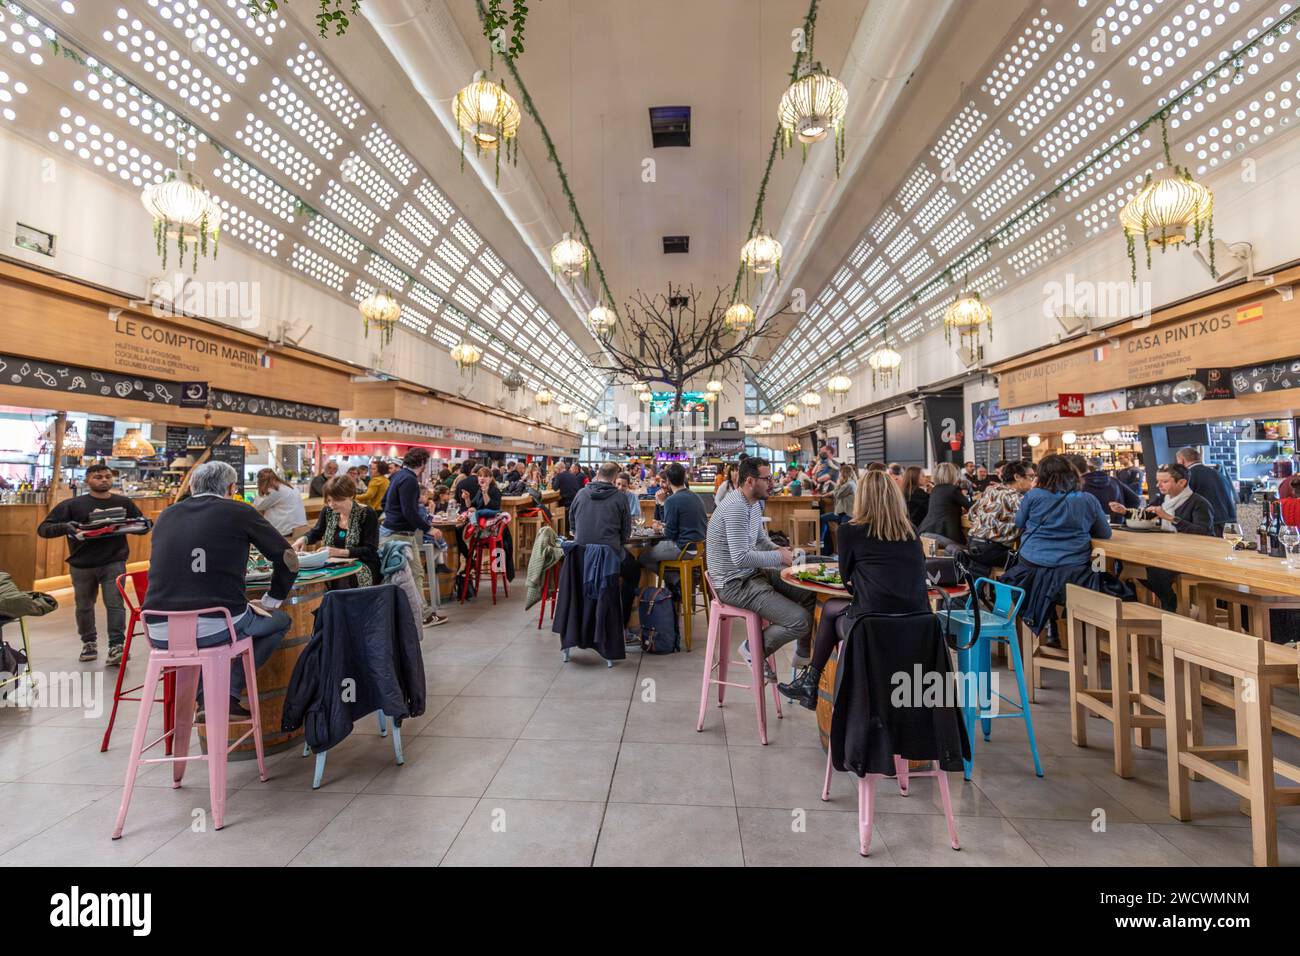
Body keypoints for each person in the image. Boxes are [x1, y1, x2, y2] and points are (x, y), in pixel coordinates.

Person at [142, 460, 295, 719]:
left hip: (157, 630)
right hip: (217, 624)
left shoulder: (167, 514)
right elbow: (288, 558)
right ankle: (227, 695)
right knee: (280, 621)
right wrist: (272, 600)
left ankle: (206, 698)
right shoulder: (240, 511)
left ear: (192, 486)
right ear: (232, 488)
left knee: (221, 621)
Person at [778, 470, 929, 708]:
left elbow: (847, 582)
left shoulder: (850, 531)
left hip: (871, 626)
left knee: (829, 609)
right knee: (833, 608)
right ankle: (809, 682)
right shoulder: (911, 532)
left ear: (862, 498)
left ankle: (811, 682)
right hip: (917, 625)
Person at [706, 457, 816, 676]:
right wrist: (779, 558)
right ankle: (752, 649)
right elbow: (740, 558)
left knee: (809, 590)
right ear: (750, 481)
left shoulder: (753, 504)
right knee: (800, 620)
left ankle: (803, 656)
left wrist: (782, 551)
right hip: (733, 584)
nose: (772, 483)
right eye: (767, 479)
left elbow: (760, 541)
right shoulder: (736, 507)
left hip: (752, 575)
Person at [37, 462, 144, 665]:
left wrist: (136, 526)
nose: (104, 480)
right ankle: (89, 643)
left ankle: (116, 646)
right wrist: (66, 527)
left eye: (107, 477)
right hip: (82, 564)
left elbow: (142, 525)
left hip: (114, 560)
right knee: (84, 606)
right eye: (98, 477)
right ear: (87, 480)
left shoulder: (124, 502)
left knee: (115, 604)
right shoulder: (72, 505)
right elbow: (43, 529)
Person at [1001, 454, 1112, 647]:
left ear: (1041, 476)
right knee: (1076, 577)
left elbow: (1019, 523)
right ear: (1073, 474)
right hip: (1075, 573)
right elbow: (1104, 532)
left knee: (1043, 579)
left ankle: (1049, 627)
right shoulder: (1088, 499)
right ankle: (1076, 635)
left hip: (1031, 570)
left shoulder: (1034, 495)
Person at [568, 461, 642, 636]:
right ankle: (621, 624)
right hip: (610, 558)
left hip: (582, 558)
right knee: (634, 570)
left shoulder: (581, 494)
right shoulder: (620, 498)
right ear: (615, 478)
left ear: (597, 475)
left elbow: (572, 526)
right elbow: (625, 534)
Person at [380, 448, 441, 625]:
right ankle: (418, 616)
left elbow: (384, 502)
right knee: (409, 577)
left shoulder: (397, 476)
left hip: (392, 532)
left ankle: (420, 614)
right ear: (421, 463)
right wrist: (428, 529)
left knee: (413, 574)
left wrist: (393, 515)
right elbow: (409, 512)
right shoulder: (410, 480)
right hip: (400, 535)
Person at [293, 474, 381, 588]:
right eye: (329, 500)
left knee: (343, 580)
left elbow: (370, 550)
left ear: (351, 495)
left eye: (338, 500)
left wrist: (338, 552)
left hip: (363, 563)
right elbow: (316, 532)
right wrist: (303, 539)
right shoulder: (328, 511)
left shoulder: (367, 514)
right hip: (334, 563)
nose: (332, 504)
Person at [638, 462, 708, 579]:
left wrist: (660, 528)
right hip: (700, 549)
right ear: (684, 477)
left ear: (669, 480)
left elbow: (670, 534)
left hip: (683, 548)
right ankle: (679, 580)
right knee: (659, 553)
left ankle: (675, 580)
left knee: (643, 557)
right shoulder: (696, 497)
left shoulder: (672, 500)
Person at [966, 460, 1033, 575]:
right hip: (993, 551)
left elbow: (971, 515)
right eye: (1030, 477)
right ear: (1017, 477)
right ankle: (1007, 586)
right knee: (1031, 563)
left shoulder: (991, 490)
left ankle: (983, 582)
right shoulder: (1017, 499)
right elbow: (1032, 522)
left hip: (972, 545)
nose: (1033, 481)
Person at [1176, 446, 1236, 535]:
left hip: (1210, 524)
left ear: (1181, 460)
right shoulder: (1218, 473)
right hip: (1230, 522)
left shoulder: (1188, 476)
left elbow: (1185, 502)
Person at [918, 461, 970, 546]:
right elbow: (972, 507)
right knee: (968, 549)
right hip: (943, 535)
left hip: (925, 533)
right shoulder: (953, 489)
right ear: (953, 475)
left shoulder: (935, 490)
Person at [253, 468, 308, 539]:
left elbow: (258, 506)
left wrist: (260, 492)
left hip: (286, 532)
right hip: (300, 528)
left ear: (261, 482)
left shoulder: (275, 491)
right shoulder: (290, 486)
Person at [1081, 456, 1139, 522]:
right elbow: (1135, 500)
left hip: (1088, 525)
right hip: (1115, 524)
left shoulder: (1079, 484)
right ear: (1101, 467)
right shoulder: (1114, 481)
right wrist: (1125, 515)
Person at [820, 462, 858, 553]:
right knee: (823, 518)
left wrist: (837, 483)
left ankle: (842, 553)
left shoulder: (848, 485)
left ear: (843, 474)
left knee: (842, 535)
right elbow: (836, 492)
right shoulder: (850, 483)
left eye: (840, 474)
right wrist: (828, 493)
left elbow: (837, 494)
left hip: (848, 515)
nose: (839, 475)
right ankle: (820, 541)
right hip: (842, 513)